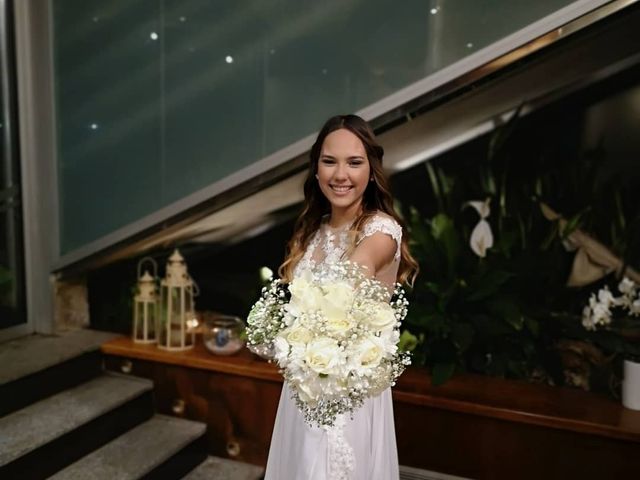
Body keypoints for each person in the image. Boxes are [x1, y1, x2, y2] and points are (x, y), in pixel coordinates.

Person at [264, 114, 418, 480]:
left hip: (349, 398)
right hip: (303, 390)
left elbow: (354, 272)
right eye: (329, 161)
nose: (340, 175)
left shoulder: (381, 231)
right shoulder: (312, 233)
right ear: (316, 169)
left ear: (371, 169)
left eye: (354, 162)